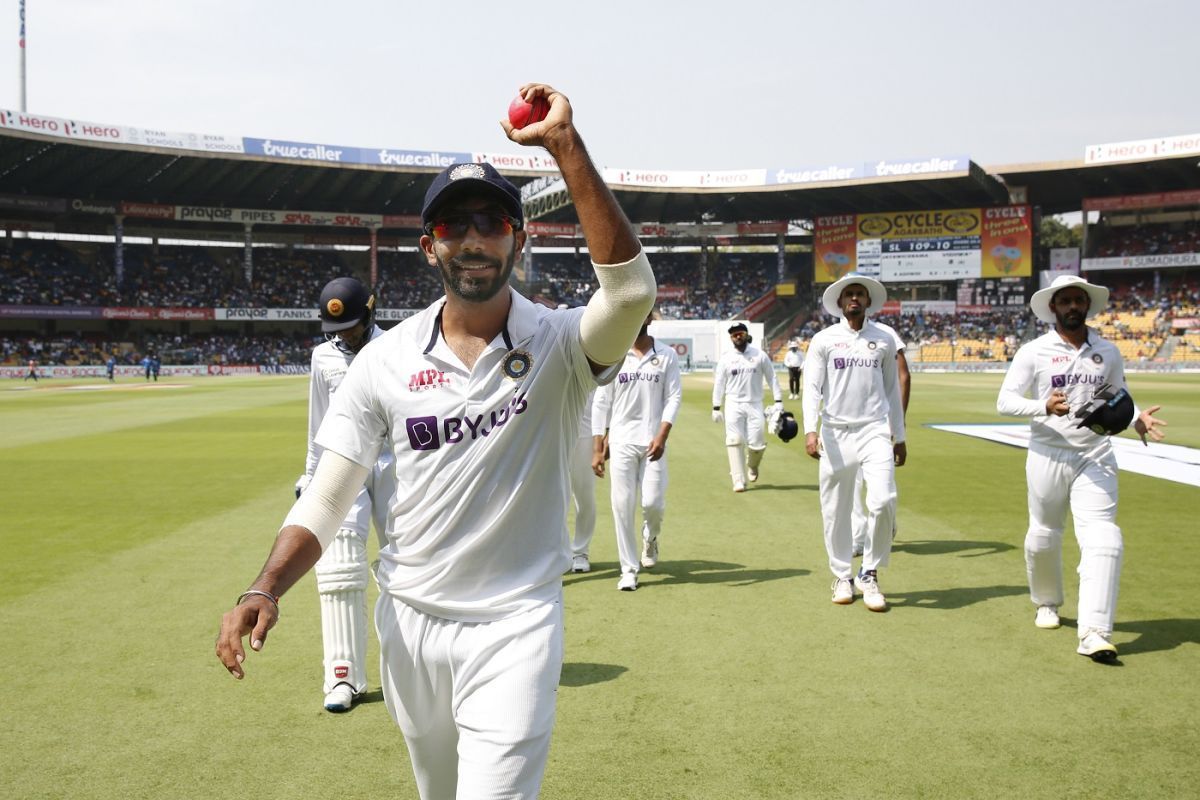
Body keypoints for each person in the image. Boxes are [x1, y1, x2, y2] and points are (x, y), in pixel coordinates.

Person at [216, 83, 655, 800]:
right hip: (410, 624)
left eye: (491, 221)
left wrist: (564, 145)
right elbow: (328, 497)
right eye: (455, 227)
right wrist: (265, 586)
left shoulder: (559, 345)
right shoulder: (383, 364)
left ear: (519, 237)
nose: (474, 237)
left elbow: (631, 297)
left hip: (517, 623)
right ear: (429, 247)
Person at [997, 274, 1166, 662]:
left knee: (1105, 537)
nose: (1073, 306)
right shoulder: (1034, 351)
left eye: (1079, 300)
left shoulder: (1107, 351)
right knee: (1044, 534)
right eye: (1066, 301)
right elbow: (1005, 401)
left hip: (1096, 452)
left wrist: (1137, 416)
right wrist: (1042, 406)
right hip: (1047, 452)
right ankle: (1046, 602)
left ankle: (1095, 631)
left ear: (1087, 306)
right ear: (1053, 308)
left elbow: (1117, 396)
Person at [296, 276, 396, 712]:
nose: (344, 335)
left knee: (408, 562)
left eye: (352, 326)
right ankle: (343, 679)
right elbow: (318, 423)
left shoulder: (397, 348)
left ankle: (415, 668)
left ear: (371, 313)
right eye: (336, 329)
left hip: (395, 465)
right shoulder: (323, 358)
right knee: (338, 566)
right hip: (342, 465)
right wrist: (309, 478)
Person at [802, 274, 906, 612]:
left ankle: (869, 572)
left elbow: (892, 389)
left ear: (868, 301)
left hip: (875, 430)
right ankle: (842, 575)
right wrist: (810, 429)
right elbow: (812, 388)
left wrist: (899, 436)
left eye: (860, 294)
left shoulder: (884, 339)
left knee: (883, 500)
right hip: (835, 432)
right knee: (835, 510)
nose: (855, 299)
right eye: (850, 294)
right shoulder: (824, 339)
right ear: (841, 301)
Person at [591, 311, 682, 591]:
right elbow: (601, 402)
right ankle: (628, 569)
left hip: (654, 441)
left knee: (653, 504)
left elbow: (674, 396)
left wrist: (662, 434)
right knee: (622, 506)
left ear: (647, 320)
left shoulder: (666, 355)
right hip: (621, 442)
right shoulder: (614, 356)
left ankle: (650, 538)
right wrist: (597, 447)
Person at [851, 322, 910, 557]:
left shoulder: (886, 333)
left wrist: (899, 420)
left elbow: (903, 377)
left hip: (880, 421)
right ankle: (857, 538)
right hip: (846, 423)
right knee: (853, 484)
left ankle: (887, 524)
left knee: (883, 485)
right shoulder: (833, 335)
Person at [712, 323, 784, 492]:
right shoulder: (726, 358)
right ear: (731, 338)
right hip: (733, 404)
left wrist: (779, 401)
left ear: (746, 335)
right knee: (734, 440)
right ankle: (738, 479)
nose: (738, 337)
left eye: (740, 333)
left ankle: (752, 465)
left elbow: (772, 378)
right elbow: (719, 384)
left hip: (755, 403)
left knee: (757, 442)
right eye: (734, 335)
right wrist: (716, 407)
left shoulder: (760, 355)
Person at [567, 388, 598, 574]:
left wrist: (601, 437)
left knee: (584, 494)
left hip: (586, 433)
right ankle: (557, 550)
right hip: (554, 433)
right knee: (554, 497)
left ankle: (580, 551)